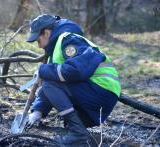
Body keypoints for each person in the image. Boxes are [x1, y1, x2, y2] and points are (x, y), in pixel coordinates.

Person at [24, 14, 121, 146]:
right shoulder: (57, 47)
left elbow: (77, 71)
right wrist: (38, 111)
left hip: (100, 92)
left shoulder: (69, 40)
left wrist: (43, 71)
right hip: (95, 96)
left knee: (49, 82)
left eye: (38, 40)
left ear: (46, 33)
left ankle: (79, 134)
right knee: (66, 121)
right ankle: (78, 133)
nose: (39, 46)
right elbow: (54, 84)